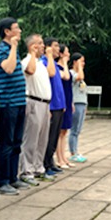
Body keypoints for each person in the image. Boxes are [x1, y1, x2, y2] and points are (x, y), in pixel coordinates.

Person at [0, 17, 27, 195]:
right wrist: (13, 47)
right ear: (7, 32)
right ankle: (1, 181)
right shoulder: (1, 49)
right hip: (7, 103)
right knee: (6, 142)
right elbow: (8, 68)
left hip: (19, 101)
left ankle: (13, 177)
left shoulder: (13, 50)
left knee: (16, 142)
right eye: (16, 28)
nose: (19, 30)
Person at [20, 34, 54, 185]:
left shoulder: (41, 63)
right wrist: (32, 54)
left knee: (42, 139)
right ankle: (26, 171)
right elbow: (30, 71)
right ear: (32, 46)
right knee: (31, 139)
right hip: (33, 102)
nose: (43, 46)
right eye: (40, 43)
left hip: (45, 103)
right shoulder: (27, 61)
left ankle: (38, 168)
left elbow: (51, 73)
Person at [43, 37, 66, 176]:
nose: (58, 49)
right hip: (52, 106)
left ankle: (50, 161)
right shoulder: (44, 62)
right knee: (49, 136)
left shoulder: (55, 65)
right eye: (55, 46)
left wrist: (63, 104)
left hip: (59, 105)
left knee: (55, 136)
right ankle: (45, 163)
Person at [56, 44, 73, 168]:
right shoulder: (58, 67)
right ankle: (59, 158)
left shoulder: (64, 67)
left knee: (65, 131)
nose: (69, 54)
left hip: (68, 99)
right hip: (61, 100)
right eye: (67, 52)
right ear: (61, 54)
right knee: (59, 131)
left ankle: (64, 157)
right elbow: (66, 77)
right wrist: (65, 63)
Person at [68, 52, 88, 163]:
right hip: (75, 104)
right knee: (74, 130)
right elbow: (80, 77)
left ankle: (76, 151)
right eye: (81, 61)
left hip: (82, 104)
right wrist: (79, 67)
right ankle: (73, 153)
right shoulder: (72, 73)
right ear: (75, 62)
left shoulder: (79, 74)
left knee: (78, 130)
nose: (83, 64)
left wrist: (86, 105)